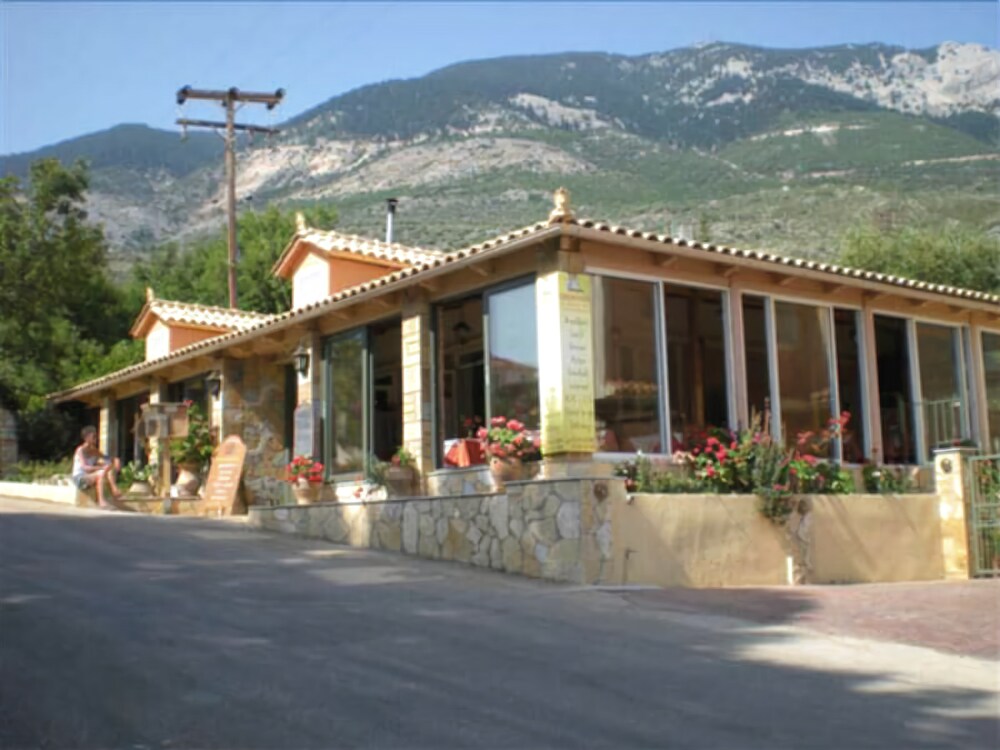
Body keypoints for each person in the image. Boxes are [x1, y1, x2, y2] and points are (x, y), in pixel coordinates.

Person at [72, 426, 122, 508]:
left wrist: (116, 459)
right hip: (80, 478)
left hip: (89, 476)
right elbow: (85, 467)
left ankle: (114, 490)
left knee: (108, 468)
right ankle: (101, 501)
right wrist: (101, 468)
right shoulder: (80, 450)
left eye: (96, 436)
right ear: (86, 438)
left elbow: (107, 458)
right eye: (93, 436)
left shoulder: (94, 451)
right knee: (101, 472)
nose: (96, 439)